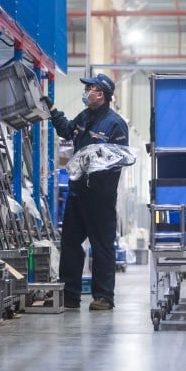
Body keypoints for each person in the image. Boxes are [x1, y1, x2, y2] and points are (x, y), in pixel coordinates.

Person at [47, 73, 129, 311]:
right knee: (71, 243)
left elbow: (120, 159)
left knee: (102, 245)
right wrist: (53, 110)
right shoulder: (85, 116)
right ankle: (70, 295)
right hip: (77, 193)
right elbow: (66, 131)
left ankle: (103, 297)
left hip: (100, 198)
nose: (86, 92)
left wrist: (96, 165)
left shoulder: (115, 124)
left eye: (90, 88)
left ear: (100, 94)